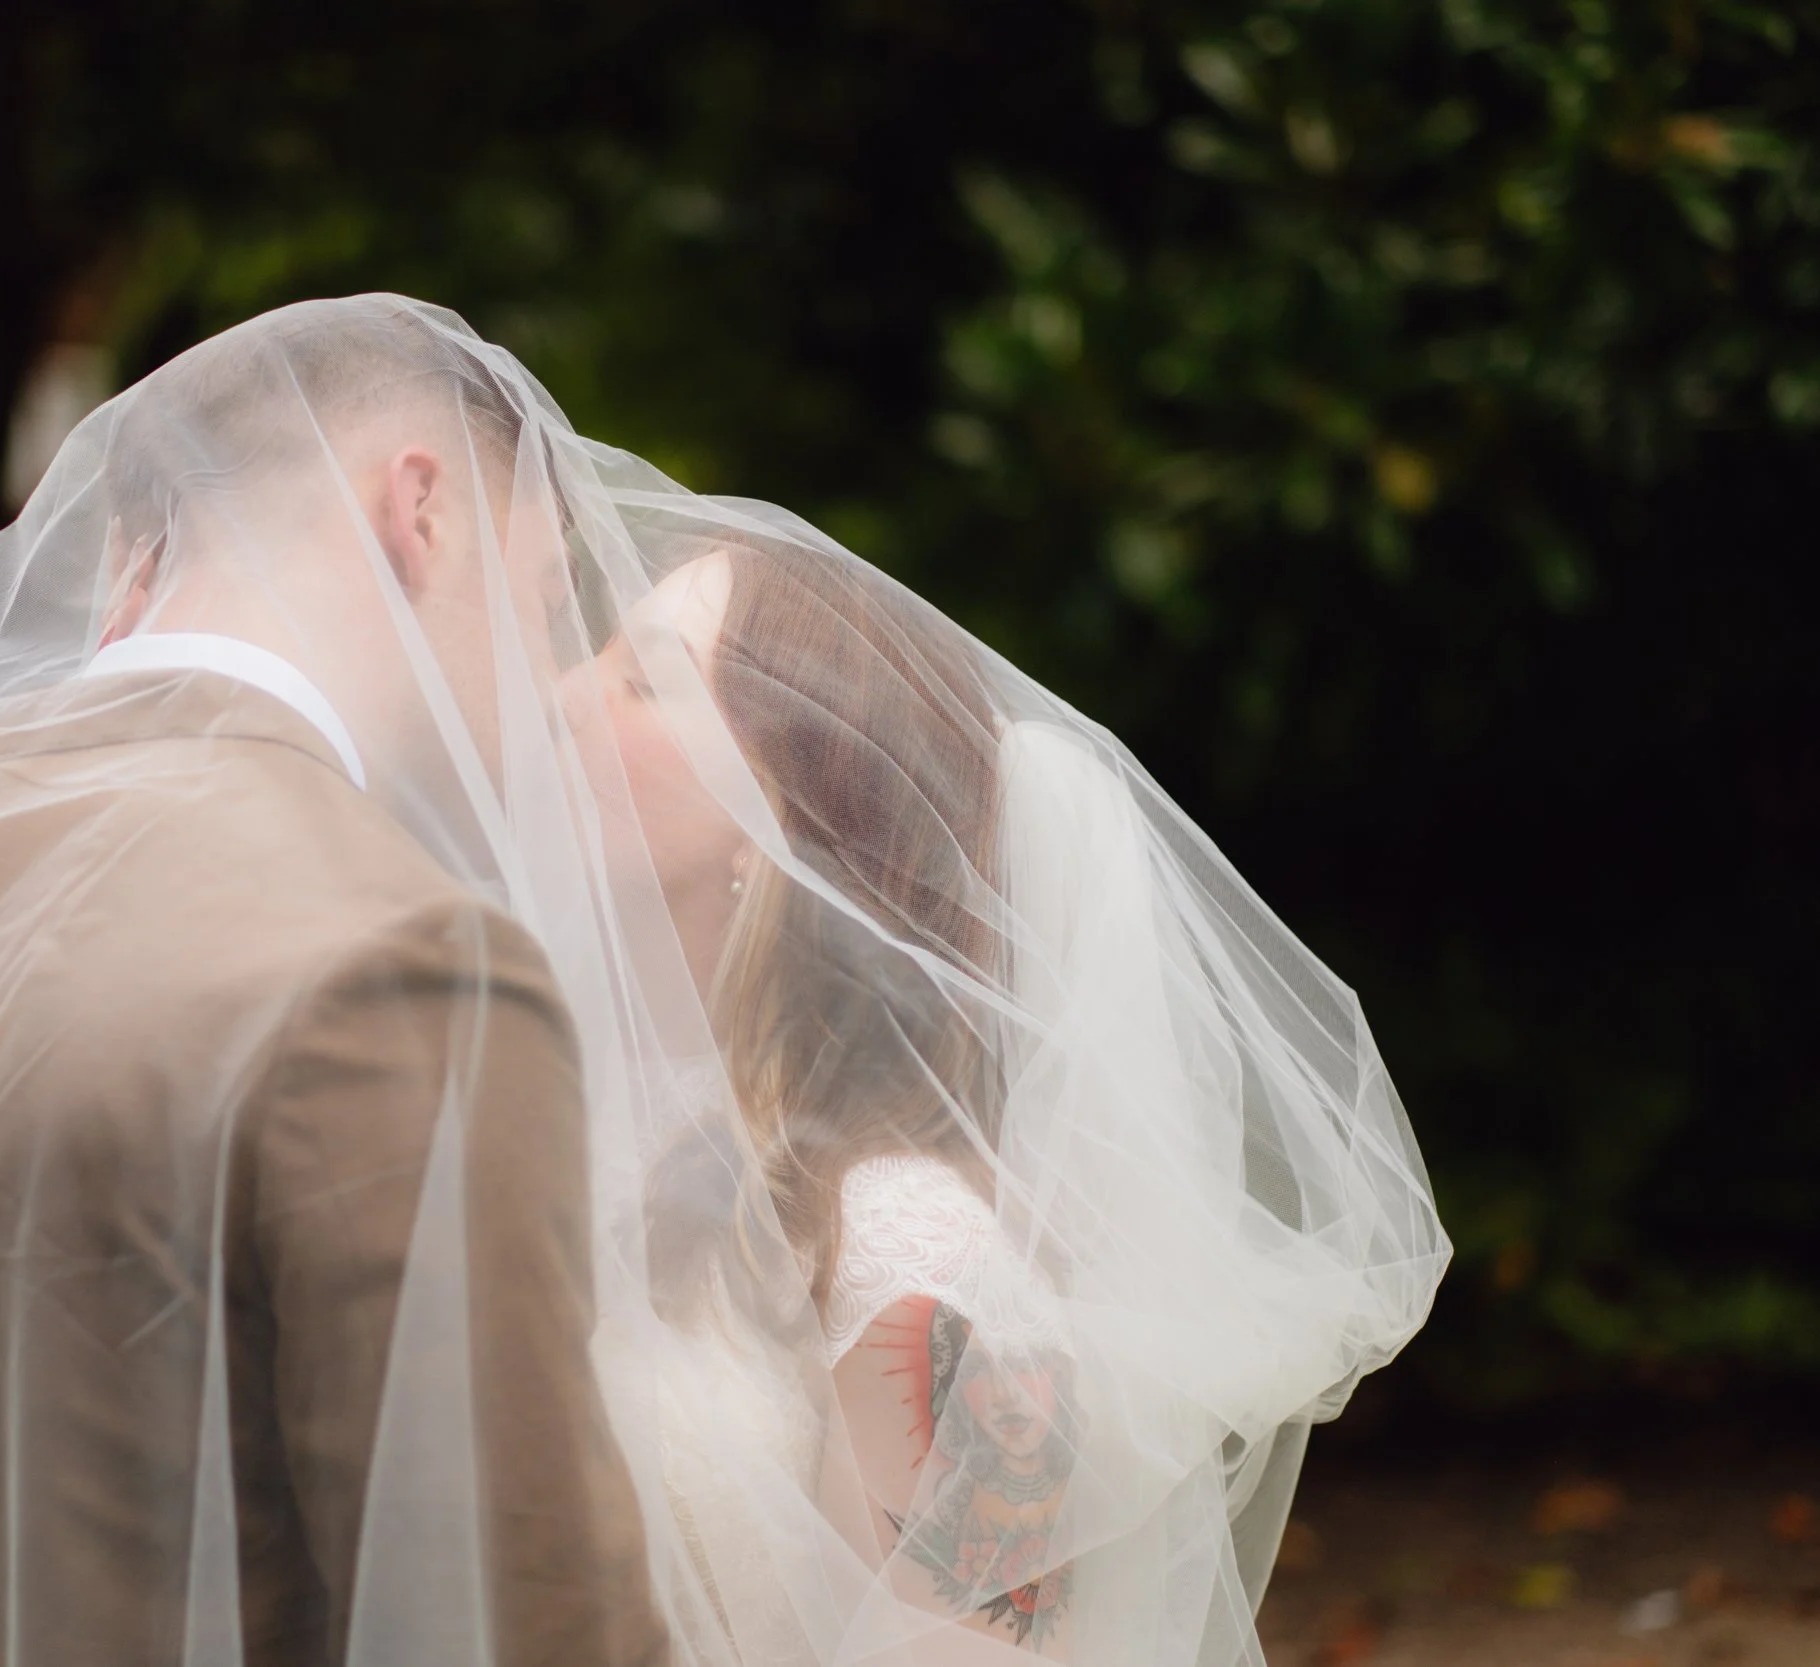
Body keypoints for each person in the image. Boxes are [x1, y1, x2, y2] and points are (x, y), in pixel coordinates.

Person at [0, 298, 667, 1667]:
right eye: (543, 593)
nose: (544, 671)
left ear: (127, 564)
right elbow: (526, 1614)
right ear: (423, 508)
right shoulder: (399, 960)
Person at [561, 524, 1450, 1666]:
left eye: (641, 680)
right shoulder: (595, 1112)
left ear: (772, 818)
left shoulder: (909, 1252)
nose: (558, 693)